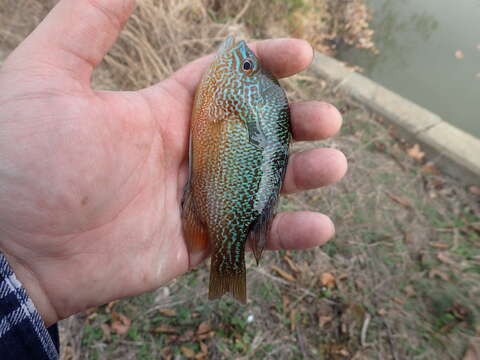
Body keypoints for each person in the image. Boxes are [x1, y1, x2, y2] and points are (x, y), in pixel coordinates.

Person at [0, 0, 347, 359]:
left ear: (245, 96)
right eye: (248, 65)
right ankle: (227, 264)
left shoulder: (235, 102)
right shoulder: (225, 100)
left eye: (244, 66)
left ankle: (228, 264)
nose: (239, 56)